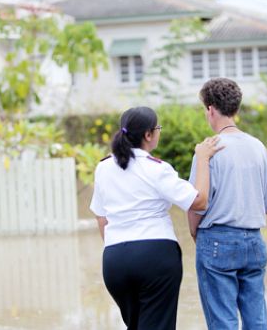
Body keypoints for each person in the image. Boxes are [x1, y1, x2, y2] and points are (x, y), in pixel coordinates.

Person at [90, 106, 222, 330]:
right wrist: (202, 159)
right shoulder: (157, 169)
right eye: (157, 128)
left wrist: (121, 251)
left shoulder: (103, 168)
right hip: (154, 257)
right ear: (148, 135)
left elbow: (101, 217)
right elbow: (199, 201)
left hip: (114, 260)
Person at [188, 78, 267, 330]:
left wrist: (197, 234)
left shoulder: (207, 150)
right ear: (235, 108)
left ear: (210, 109)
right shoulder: (258, 147)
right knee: (257, 320)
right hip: (254, 240)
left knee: (223, 322)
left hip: (216, 239)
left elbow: (196, 203)